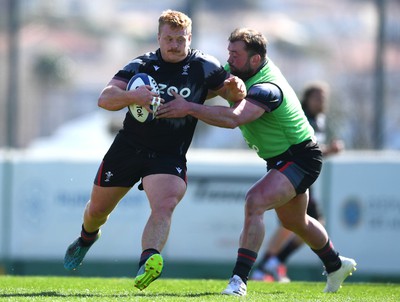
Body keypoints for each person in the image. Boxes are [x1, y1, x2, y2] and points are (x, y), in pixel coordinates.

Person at [157, 28, 356, 296]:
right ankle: (336, 264)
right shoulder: (238, 70)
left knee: (255, 201)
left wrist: (189, 107)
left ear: (255, 60)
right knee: (295, 222)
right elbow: (214, 88)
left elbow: (233, 118)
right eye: (229, 53)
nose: (230, 60)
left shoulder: (267, 88)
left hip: (301, 156)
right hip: (279, 159)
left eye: (235, 55)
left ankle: (239, 281)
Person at [63, 10, 245, 291]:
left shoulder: (204, 66)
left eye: (180, 39)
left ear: (190, 38)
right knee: (97, 211)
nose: (174, 45)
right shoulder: (141, 65)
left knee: (165, 204)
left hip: (169, 154)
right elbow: (105, 98)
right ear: (158, 37)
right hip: (128, 148)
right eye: (169, 39)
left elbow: (232, 98)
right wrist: (132, 96)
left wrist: (237, 89)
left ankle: (148, 261)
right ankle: (88, 237)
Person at [251, 81, 345, 283]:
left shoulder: (319, 120)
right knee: (306, 223)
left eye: (324, 98)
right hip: (293, 172)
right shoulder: (301, 116)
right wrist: (330, 150)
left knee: (289, 224)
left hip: (305, 175)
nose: (321, 101)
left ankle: (267, 266)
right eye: (317, 97)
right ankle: (273, 263)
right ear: (307, 98)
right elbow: (308, 148)